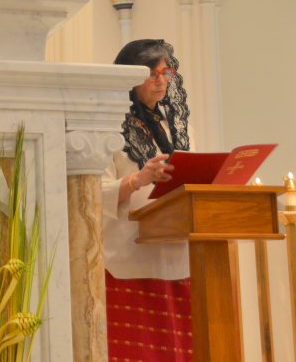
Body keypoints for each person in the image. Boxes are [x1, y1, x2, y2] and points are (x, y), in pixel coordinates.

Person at [103, 39, 194, 362]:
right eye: (151, 73)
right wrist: (137, 179)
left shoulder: (179, 128)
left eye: (166, 72)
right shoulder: (106, 125)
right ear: (128, 76)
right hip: (130, 257)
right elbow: (90, 195)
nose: (160, 80)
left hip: (178, 253)